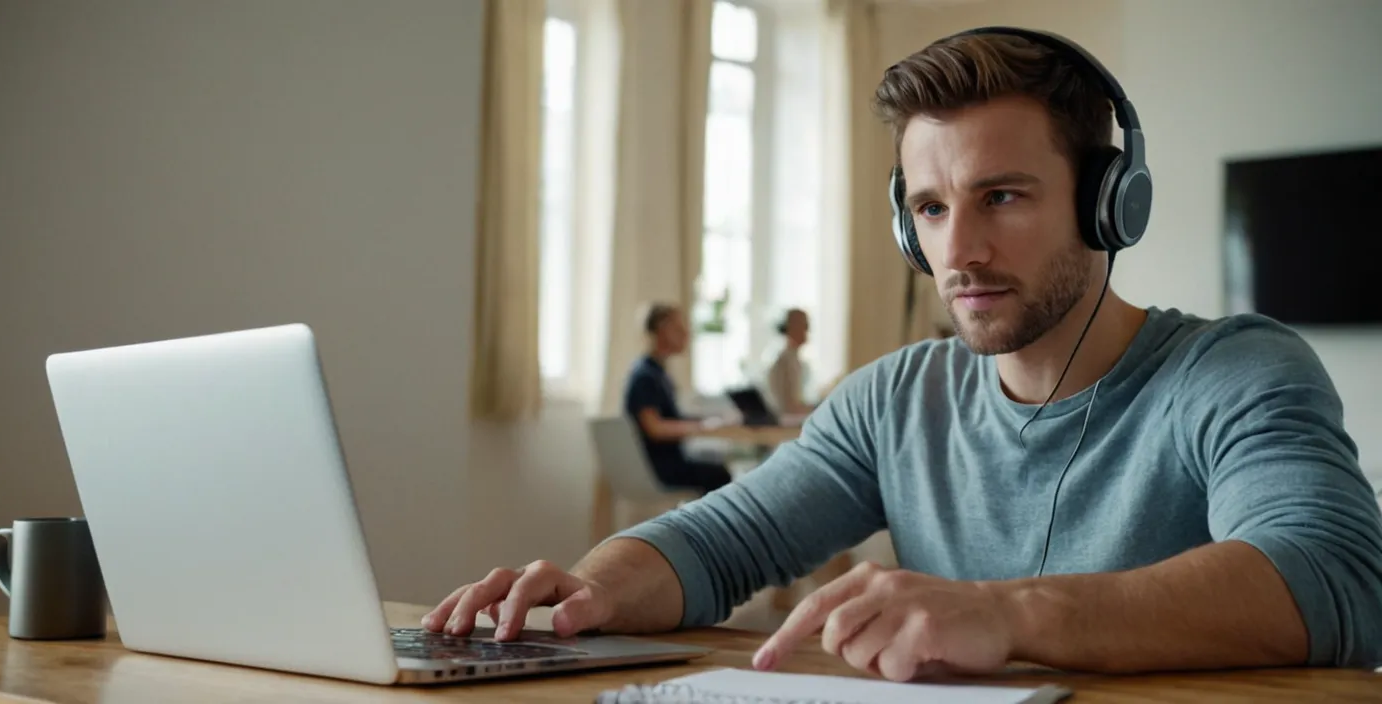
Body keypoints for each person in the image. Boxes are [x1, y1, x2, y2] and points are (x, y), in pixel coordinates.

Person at [421, 28, 1382, 679]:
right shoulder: (894, 399)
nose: (956, 251)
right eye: (930, 207)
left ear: (1110, 206)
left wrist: (1009, 614)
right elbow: (723, 541)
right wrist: (592, 587)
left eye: (1001, 196)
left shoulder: (1238, 370)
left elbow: (1336, 576)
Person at [618, 302, 733, 495]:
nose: (687, 335)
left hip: (666, 462)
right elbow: (655, 428)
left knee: (716, 465)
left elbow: (670, 419)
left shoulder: (657, 373)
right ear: (662, 331)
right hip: (658, 468)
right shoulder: (645, 376)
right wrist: (699, 428)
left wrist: (704, 421)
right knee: (719, 474)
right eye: (679, 329)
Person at [764, 308, 816, 417]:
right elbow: (789, 406)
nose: (807, 330)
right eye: (802, 326)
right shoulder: (783, 363)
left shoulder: (798, 362)